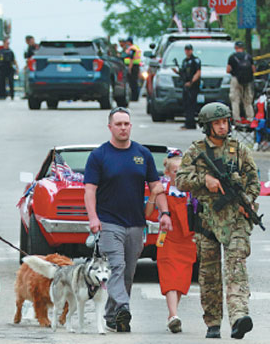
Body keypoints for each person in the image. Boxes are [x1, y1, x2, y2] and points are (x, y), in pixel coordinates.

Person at [176, 102, 259, 340]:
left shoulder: (240, 150)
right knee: (209, 275)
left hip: (236, 221)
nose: (222, 127)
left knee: (236, 269)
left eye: (225, 122)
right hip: (208, 222)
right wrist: (205, 180)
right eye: (217, 123)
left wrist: (249, 202)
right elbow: (180, 180)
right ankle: (213, 322)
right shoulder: (196, 150)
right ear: (207, 126)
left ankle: (239, 317)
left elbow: (253, 182)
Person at [84, 107, 172, 333]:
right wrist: (93, 218)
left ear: (130, 126)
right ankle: (124, 306)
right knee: (116, 266)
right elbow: (90, 190)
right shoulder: (99, 156)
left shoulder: (142, 154)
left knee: (128, 273)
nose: (123, 128)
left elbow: (156, 187)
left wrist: (165, 213)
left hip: (136, 224)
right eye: (119, 124)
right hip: (109, 222)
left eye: (126, 124)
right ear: (110, 127)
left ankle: (114, 317)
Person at [145, 150, 196, 334]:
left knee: (182, 280)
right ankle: (173, 314)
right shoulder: (163, 191)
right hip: (168, 240)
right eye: (176, 171)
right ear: (168, 173)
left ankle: (172, 316)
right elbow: (148, 213)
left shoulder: (192, 193)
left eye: (183, 171)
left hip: (188, 241)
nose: (180, 175)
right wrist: (152, 195)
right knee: (170, 278)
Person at [172, 44, 201, 130]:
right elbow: (183, 73)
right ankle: (187, 122)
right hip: (185, 85)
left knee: (191, 104)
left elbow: (198, 72)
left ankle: (191, 123)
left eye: (189, 50)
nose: (188, 52)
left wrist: (191, 82)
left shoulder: (195, 60)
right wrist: (177, 72)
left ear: (192, 50)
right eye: (186, 50)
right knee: (186, 104)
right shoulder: (185, 61)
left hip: (193, 86)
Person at [227, 41, 256, 124]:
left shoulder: (232, 57)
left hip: (236, 80)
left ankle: (237, 119)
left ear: (235, 48)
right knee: (247, 100)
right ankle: (250, 118)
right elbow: (253, 69)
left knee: (235, 99)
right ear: (243, 48)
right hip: (247, 81)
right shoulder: (248, 57)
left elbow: (228, 70)